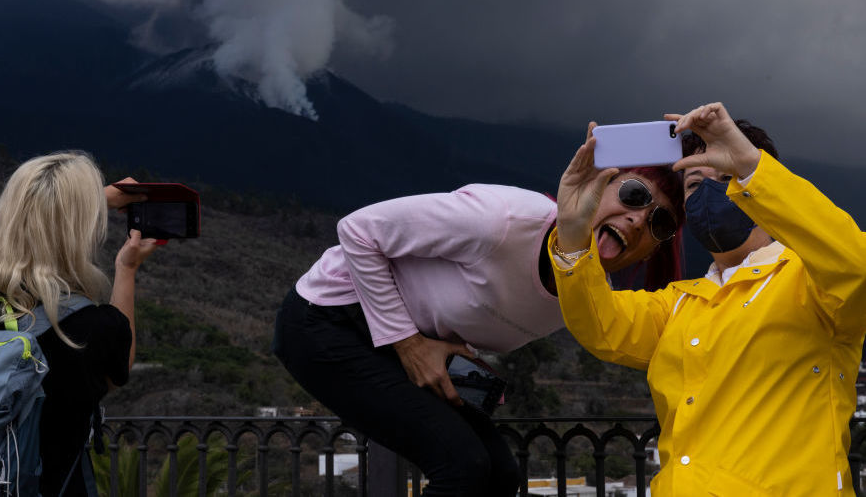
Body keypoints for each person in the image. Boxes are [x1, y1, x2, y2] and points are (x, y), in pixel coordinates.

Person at [273, 169, 684, 497]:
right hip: (326, 319)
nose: (637, 218)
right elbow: (358, 231)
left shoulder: (587, 296)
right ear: (598, 185)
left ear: (653, 249)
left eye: (659, 222)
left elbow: (463, 300)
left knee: (500, 477)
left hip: (404, 343)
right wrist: (410, 344)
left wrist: (456, 354)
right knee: (461, 467)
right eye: (634, 195)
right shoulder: (505, 219)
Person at [550, 102, 866, 495]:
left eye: (728, 176)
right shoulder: (679, 304)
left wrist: (751, 165)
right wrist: (572, 232)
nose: (712, 192)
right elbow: (600, 327)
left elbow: (857, 267)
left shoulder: (815, 284)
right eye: (695, 184)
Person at [0, 151, 158, 496]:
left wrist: (80, 200)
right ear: (79, 234)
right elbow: (120, 365)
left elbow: (33, 220)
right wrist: (126, 270)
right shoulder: (92, 331)